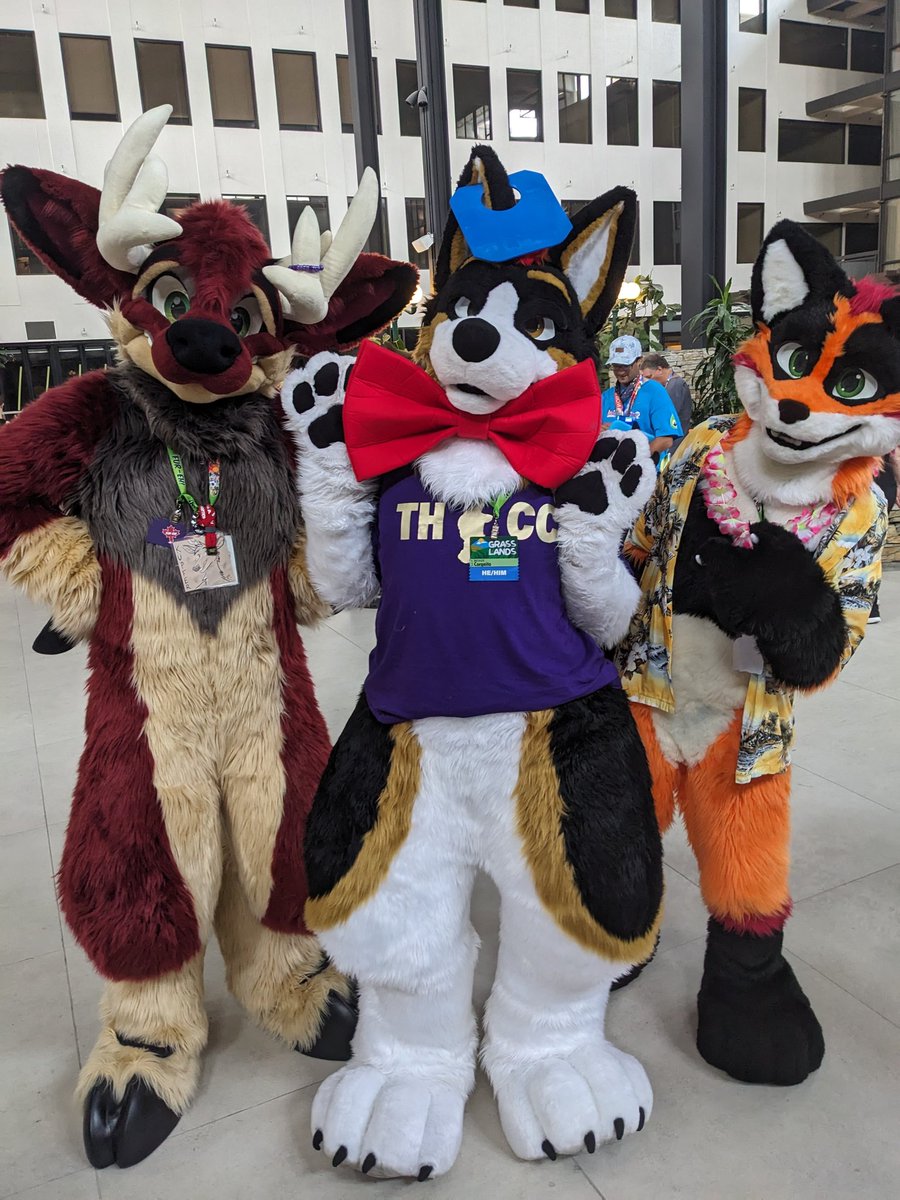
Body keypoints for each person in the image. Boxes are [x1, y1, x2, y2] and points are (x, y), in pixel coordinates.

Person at [601, 334, 682, 466]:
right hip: (611, 472)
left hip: (646, 471)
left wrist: (635, 461)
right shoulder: (606, 397)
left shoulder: (655, 391)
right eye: (616, 365)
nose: (620, 371)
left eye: (625, 365)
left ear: (639, 361)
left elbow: (666, 439)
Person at [869, 446, 900, 622]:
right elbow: (895, 455)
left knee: (858, 547)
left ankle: (869, 605)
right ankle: (871, 599)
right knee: (873, 544)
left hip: (859, 482)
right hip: (885, 482)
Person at [641, 352, 692, 450]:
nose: (646, 382)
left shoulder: (675, 386)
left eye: (649, 377)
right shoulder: (671, 385)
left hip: (674, 445)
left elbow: (666, 417)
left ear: (659, 370)